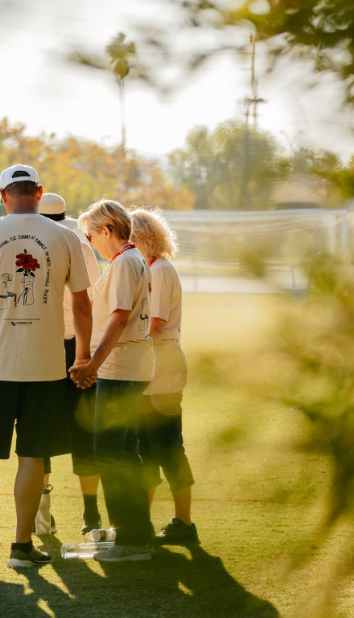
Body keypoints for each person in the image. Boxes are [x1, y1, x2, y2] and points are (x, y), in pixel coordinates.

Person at [0, 164, 93, 568]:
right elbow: (82, 305)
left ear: (2, 195)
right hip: (46, 366)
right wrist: (82, 356)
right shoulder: (66, 237)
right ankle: (20, 547)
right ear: (39, 192)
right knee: (33, 456)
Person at [72, 199, 156, 562]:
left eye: (91, 235)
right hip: (126, 365)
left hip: (121, 367)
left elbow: (119, 318)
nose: (90, 242)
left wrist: (92, 364)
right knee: (122, 452)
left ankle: (132, 541)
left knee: (111, 453)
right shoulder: (130, 260)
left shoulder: (124, 262)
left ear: (106, 231)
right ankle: (136, 533)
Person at [37, 192, 104, 536]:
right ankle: (90, 515)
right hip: (75, 344)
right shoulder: (78, 243)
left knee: (39, 429)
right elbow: (90, 301)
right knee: (83, 428)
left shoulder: (28, 240)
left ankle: (42, 515)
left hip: (41, 346)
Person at [129, 207, 198, 544]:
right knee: (146, 446)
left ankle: (183, 522)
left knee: (167, 445)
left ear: (142, 238)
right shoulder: (154, 268)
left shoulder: (158, 270)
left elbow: (152, 325)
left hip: (163, 366)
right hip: (152, 366)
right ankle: (143, 521)